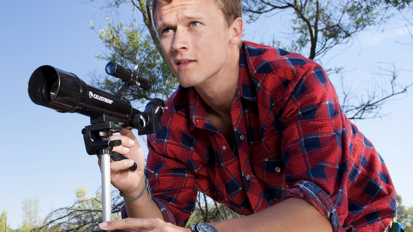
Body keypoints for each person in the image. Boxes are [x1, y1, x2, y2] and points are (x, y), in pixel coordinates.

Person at [98, 0, 397, 231]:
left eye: (194, 24)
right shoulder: (171, 125)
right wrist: (136, 190)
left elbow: (316, 218)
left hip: (365, 223)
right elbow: (161, 220)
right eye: (167, 30)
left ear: (235, 31)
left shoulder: (296, 80)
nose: (177, 44)